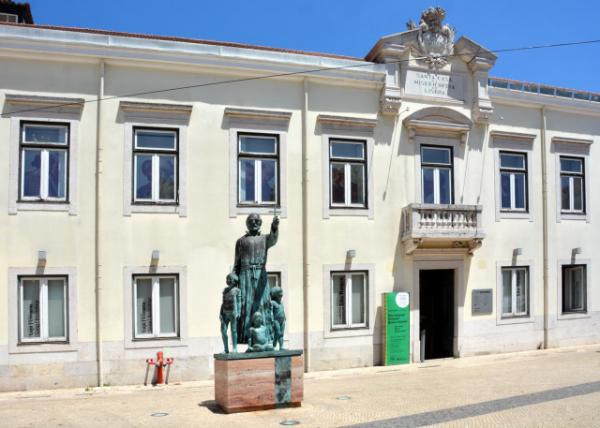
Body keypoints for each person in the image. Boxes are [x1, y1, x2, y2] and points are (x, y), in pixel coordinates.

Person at [233, 213, 279, 344]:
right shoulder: (241, 241)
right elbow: (237, 264)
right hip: (245, 276)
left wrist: (274, 226)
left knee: (263, 304)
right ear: (247, 223)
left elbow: (273, 239)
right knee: (245, 306)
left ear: (261, 223)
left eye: (257, 220)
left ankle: (266, 336)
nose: (254, 222)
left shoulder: (265, 239)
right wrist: (233, 276)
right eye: (251, 220)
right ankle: (246, 336)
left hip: (260, 276)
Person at [219, 273, 241, 353]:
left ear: (233, 281)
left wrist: (238, 312)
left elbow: (239, 302)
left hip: (233, 313)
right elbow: (223, 302)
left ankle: (234, 348)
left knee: (234, 330)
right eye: (227, 279)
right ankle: (226, 349)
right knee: (223, 331)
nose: (227, 281)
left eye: (228, 279)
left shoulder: (237, 290)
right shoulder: (225, 290)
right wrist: (220, 313)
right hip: (225, 313)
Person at [270, 286, 286, 350]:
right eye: (279, 295)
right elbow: (270, 312)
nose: (281, 296)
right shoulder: (273, 303)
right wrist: (272, 320)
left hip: (283, 320)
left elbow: (282, 311)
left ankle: (277, 346)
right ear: (276, 295)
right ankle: (278, 346)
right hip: (276, 320)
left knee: (280, 334)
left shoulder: (281, 303)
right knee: (278, 333)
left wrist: (285, 318)